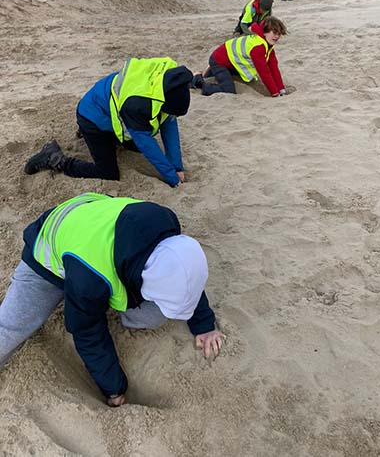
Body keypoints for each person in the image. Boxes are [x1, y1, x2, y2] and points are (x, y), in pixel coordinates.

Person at [0, 192, 224, 407]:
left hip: (95, 218)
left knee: (152, 315)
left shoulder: (166, 223)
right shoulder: (89, 280)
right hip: (48, 247)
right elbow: (86, 331)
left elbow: (185, 271)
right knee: (12, 326)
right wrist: (114, 389)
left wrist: (203, 324)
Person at [24, 57, 193, 188]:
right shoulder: (137, 104)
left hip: (107, 104)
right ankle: (54, 158)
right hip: (91, 117)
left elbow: (170, 126)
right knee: (108, 173)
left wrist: (177, 167)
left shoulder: (170, 84)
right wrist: (172, 177)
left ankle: (98, 136)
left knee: (133, 146)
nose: (171, 117)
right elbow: (146, 143)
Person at [192, 16, 287, 98]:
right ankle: (199, 81)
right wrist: (274, 93)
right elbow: (264, 72)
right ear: (265, 32)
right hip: (219, 60)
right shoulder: (258, 47)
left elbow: (274, 68)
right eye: (274, 33)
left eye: (279, 34)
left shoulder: (268, 46)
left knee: (238, 76)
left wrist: (281, 89)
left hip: (232, 62)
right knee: (228, 90)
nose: (277, 36)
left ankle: (211, 72)